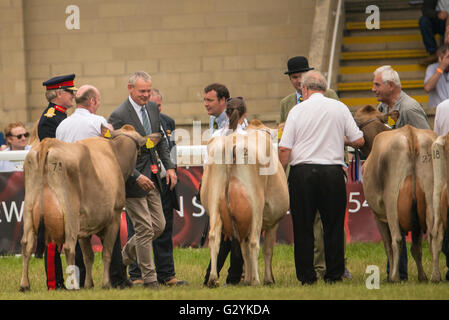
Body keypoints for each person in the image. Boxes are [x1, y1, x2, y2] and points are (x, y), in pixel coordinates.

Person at [279, 70, 364, 285]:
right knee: (333, 225)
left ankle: (307, 277)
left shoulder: (297, 111)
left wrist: (280, 174)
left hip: (303, 173)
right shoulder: (340, 108)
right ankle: (334, 274)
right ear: (324, 89)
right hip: (332, 172)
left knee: (303, 226)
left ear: (305, 89)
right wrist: (337, 137)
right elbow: (359, 140)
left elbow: (285, 148)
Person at [55, 84, 132, 289]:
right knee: (109, 230)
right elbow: (111, 148)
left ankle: (75, 282)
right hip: (96, 185)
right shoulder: (99, 122)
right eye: (97, 102)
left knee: (73, 238)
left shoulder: (62, 125)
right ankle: (115, 278)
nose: (98, 105)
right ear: (92, 102)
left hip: (68, 185)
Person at [109, 71, 177, 289]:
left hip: (154, 176)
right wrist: (136, 177)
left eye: (148, 90)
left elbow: (160, 143)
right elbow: (115, 154)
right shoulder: (118, 115)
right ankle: (150, 279)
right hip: (130, 181)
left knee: (159, 225)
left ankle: (117, 262)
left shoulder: (151, 109)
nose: (146, 95)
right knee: (145, 229)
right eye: (142, 91)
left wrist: (170, 168)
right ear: (130, 89)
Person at [373, 65, 430, 281]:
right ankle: (398, 271)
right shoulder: (382, 108)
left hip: (411, 180)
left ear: (391, 85)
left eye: (377, 84)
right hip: (393, 179)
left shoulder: (410, 108)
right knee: (392, 222)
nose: (373, 89)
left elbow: (426, 140)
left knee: (406, 223)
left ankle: (404, 271)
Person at [125, 88, 187, 286]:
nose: (156, 110)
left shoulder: (167, 121)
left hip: (163, 182)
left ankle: (167, 274)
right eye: (154, 106)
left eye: (159, 106)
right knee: (139, 228)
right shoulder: (132, 123)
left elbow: (171, 149)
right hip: (141, 182)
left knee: (164, 229)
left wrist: (172, 169)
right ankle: (136, 275)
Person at [35, 73, 77, 290]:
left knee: (71, 236)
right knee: (54, 237)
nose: (73, 96)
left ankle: (71, 281)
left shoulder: (61, 116)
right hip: (56, 184)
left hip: (67, 182)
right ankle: (54, 283)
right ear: (59, 93)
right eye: (70, 92)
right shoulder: (51, 119)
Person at [201, 83, 244, 286]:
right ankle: (229, 275)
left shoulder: (234, 127)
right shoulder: (214, 122)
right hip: (222, 182)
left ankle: (228, 275)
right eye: (205, 100)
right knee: (229, 231)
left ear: (223, 101)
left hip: (232, 183)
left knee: (230, 231)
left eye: (210, 100)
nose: (206, 104)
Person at [418, 0, 448, 66]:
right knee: (424, 21)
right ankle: (433, 53)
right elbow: (425, 10)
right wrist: (437, 14)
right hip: (440, 21)